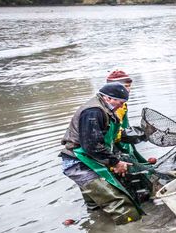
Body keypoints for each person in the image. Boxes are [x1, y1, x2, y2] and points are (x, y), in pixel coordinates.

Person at [60, 82, 144, 224]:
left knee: (96, 205)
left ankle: (96, 227)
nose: (121, 106)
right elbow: (92, 145)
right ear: (109, 98)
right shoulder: (93, 111)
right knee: (121, 204)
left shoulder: (104, 108)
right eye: (120, 102)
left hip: (88, 159)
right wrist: (115, 163)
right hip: (79, 163)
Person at [105, 69, 153, 164]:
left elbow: (124, 127)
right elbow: (113, 135)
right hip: (112, 149)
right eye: (125, 86)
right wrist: (142, 133)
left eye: (129, 86)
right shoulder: (111, 107)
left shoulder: (122, 105)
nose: (128, 89)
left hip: (124, 145)